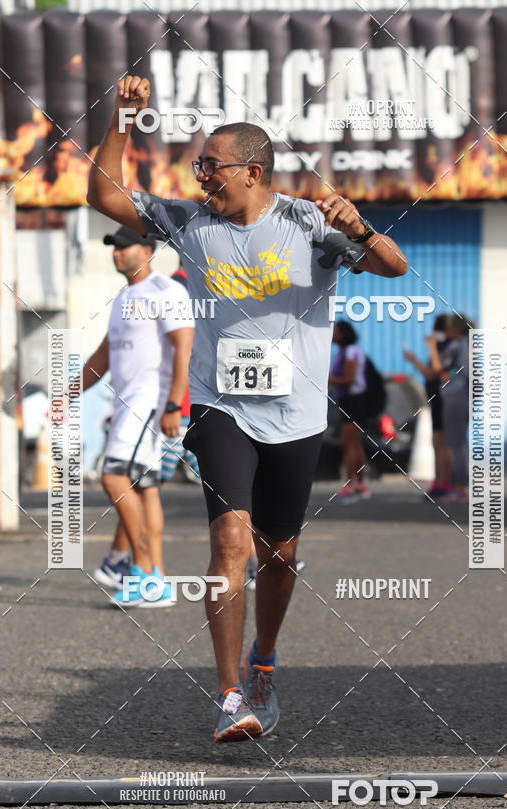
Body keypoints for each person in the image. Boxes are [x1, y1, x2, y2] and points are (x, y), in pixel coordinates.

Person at [87, 74, 407, 742]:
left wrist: (360, 226)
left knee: (279, 555)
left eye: (212, 165)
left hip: (294, 415)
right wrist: (122, 118)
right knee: (230, 538)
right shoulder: (190, 222)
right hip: (217, 405)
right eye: (198, 164)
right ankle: (230, 694)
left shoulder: (307, 224)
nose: (200, 175)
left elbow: (394, 267)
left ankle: (265, 660)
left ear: (253, 171)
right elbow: (103, 193)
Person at [82, 226, 194, 607]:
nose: (117, 253)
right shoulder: (124, 297)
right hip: (128, 404)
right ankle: (154, 582)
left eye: (124, 247)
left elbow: (184, 348)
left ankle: (142, 570)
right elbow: (104, 355)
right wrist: (67, 391)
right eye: (113, 247)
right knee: (144, 489)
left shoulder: (166, 291)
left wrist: (173, 404)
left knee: (114, 478)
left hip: (150, 404)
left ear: (146, 250)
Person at [404, 314, 453, 498]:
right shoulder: (440, 347)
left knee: (443, 443)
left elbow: (435, 372)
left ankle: (446, 483)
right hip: (436, 398)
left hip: (444, 399)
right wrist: (413, 359)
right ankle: (440, 481)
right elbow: (429, 373)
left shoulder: (447, 348)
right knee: (437, 442)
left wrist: (431, 348)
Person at [427, 315, 470, 501]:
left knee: (455, 444)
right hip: (464, 397)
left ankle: (460, 488)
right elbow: (458, 369)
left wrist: (431, 346)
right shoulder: (469, 345)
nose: (446, 332)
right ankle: (461, 487)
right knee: (459, 443)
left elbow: (437, 369)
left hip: (455, 398)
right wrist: (449, 373)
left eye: (449, 328)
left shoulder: (456, 345)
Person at [328, 320, 371, 502]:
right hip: (347, 401)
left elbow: (348, 378)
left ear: (343, 334)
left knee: (349, 442)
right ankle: (359, 483)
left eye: (335, 331)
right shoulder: (342, 352)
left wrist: (325, 378)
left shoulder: (351, 352)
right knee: (354, 443)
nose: (332, 334)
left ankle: (351, 482)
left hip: (354, 401)